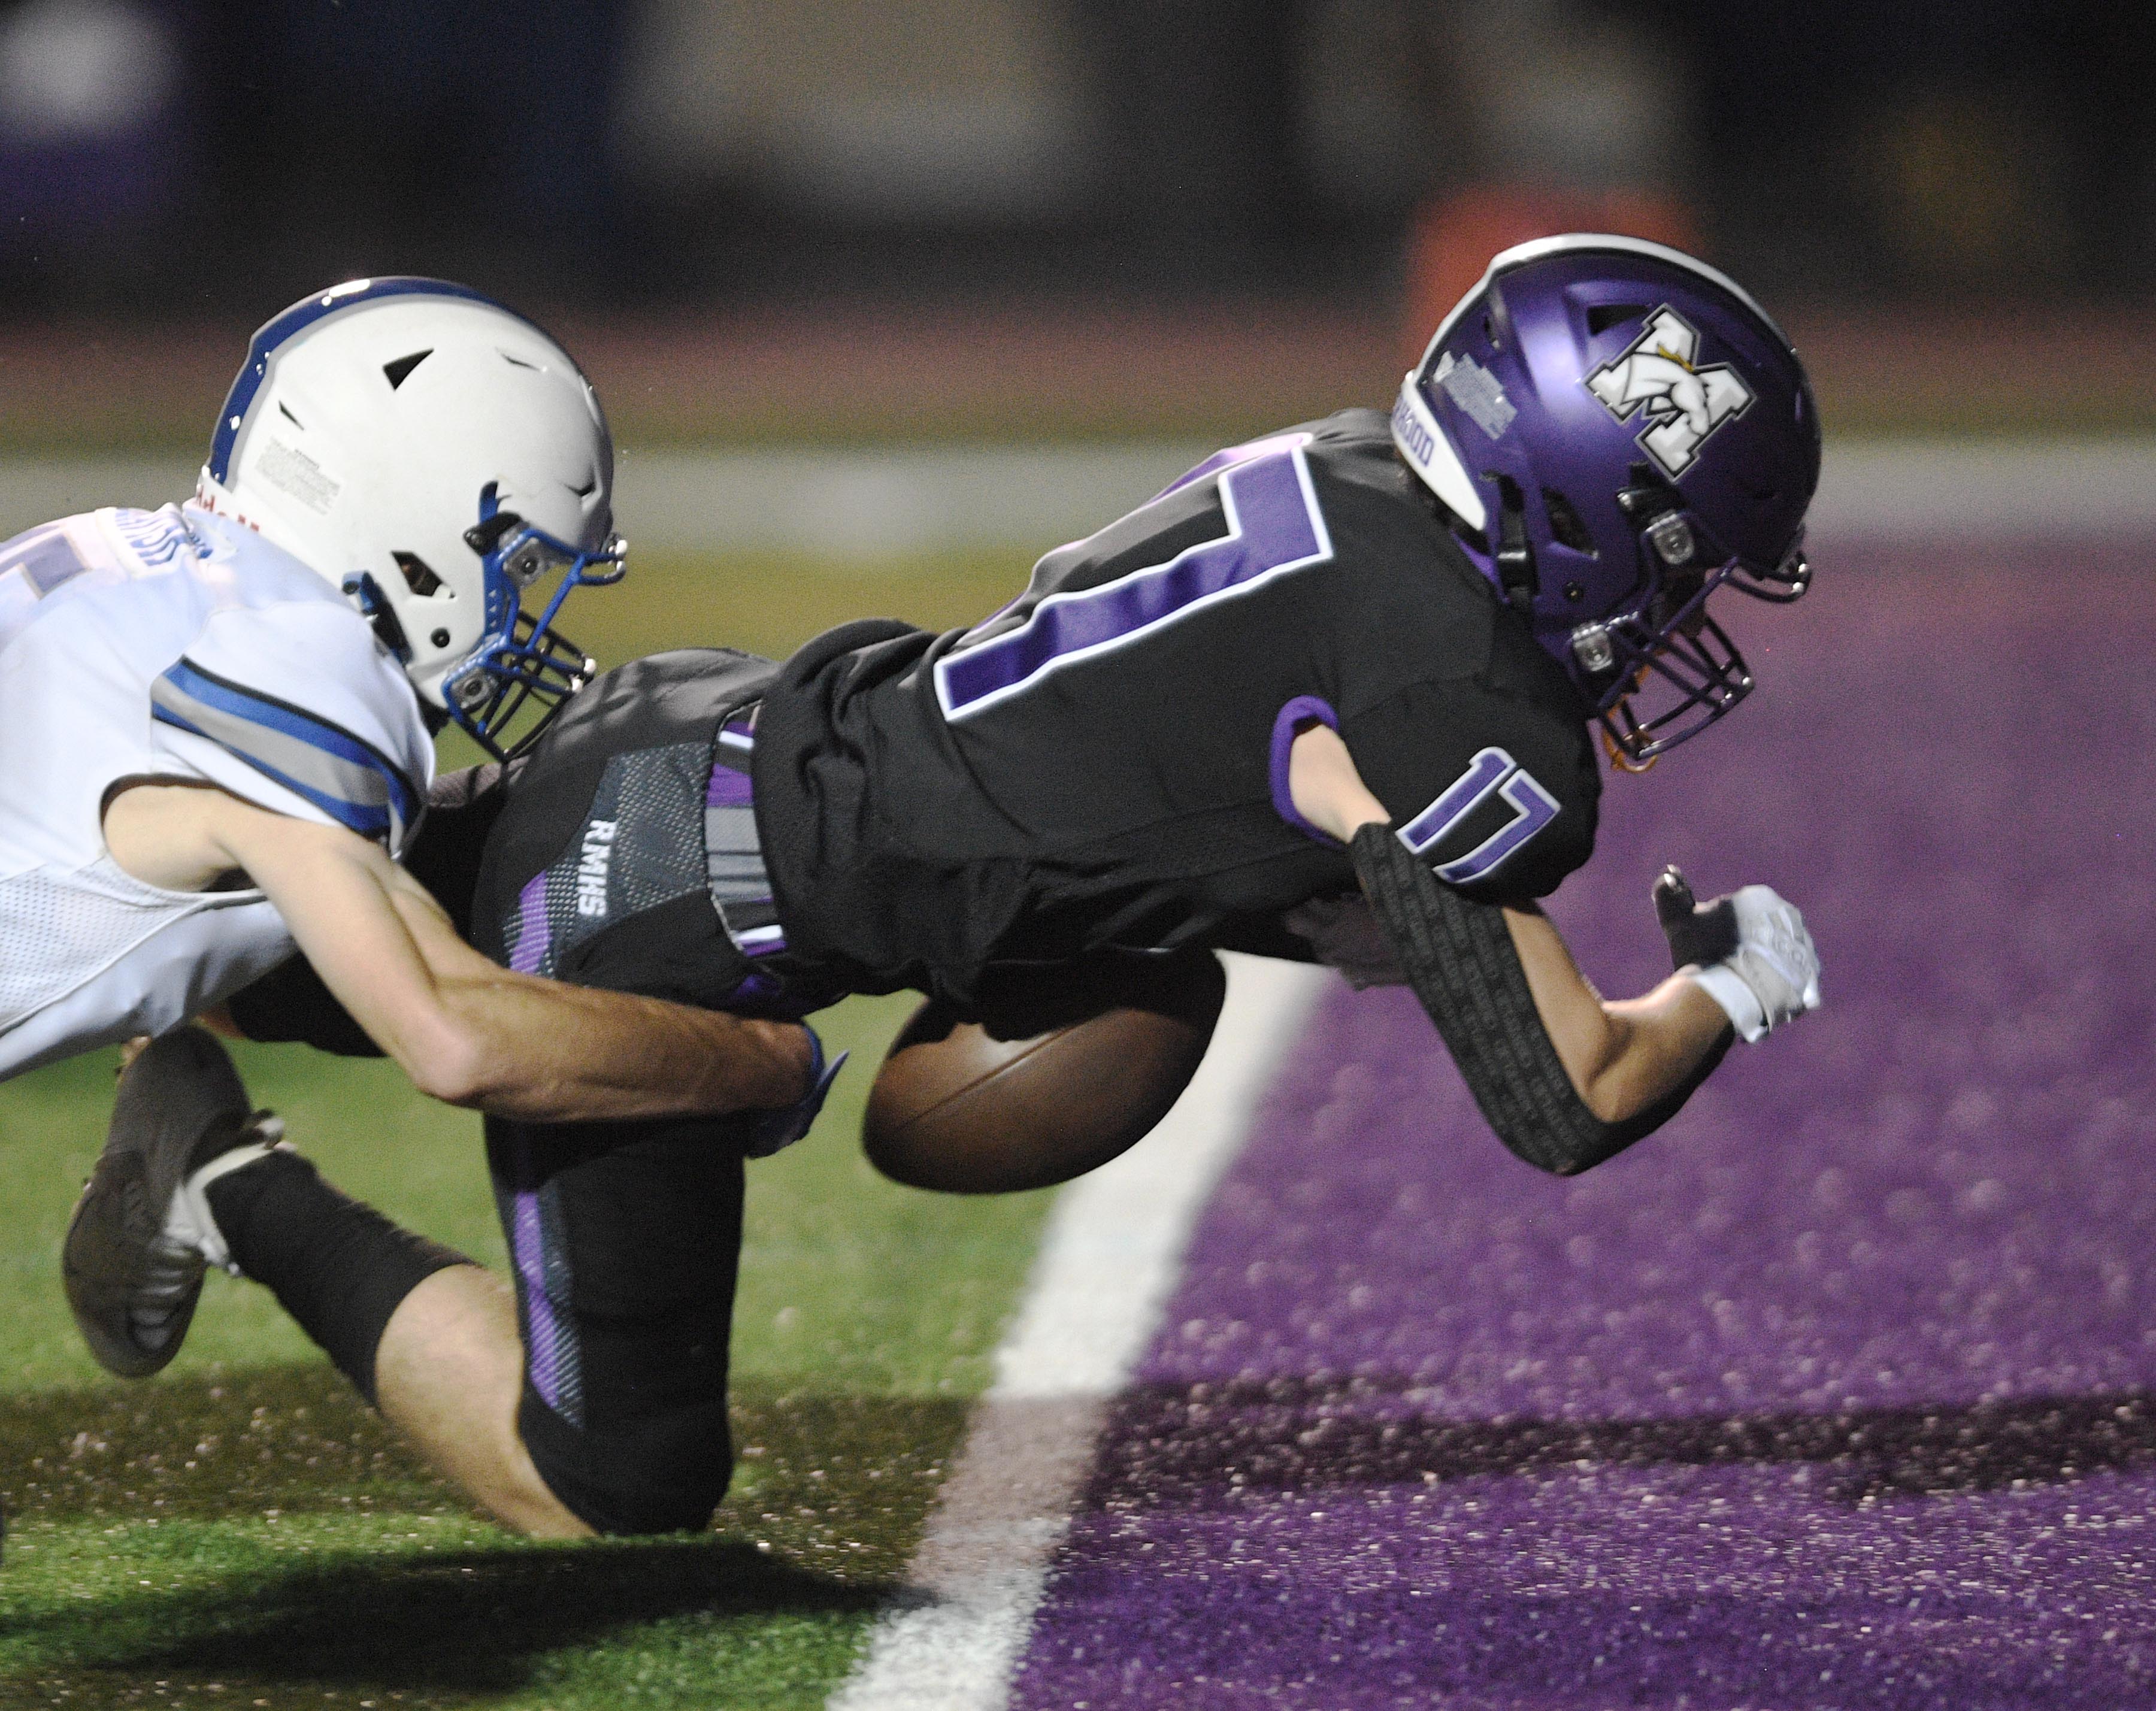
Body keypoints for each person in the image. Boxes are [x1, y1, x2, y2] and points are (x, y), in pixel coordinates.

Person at [80, 235, 1825, 1539]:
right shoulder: (1457, 700)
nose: (1680, 616)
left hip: (716, 727)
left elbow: (1180, 783)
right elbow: (1563, 1093)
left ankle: (124, 978)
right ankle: (226, 1182)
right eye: (1683, 558)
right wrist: (1732, 979)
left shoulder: (1344, 477)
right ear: (1588, 505)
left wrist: (1283, 918)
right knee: (612, 1477)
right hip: (677, 907)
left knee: (206, 929)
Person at [7, 278, 822, 1533]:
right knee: (588, 1494)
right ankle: (207, 1167)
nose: (530, 614)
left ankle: (189, 1146)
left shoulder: (130, 555)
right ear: (427, 525)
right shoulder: (306, 670)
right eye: (523, 563)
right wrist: (759, 1062)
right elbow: (456, 1036)